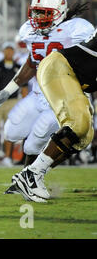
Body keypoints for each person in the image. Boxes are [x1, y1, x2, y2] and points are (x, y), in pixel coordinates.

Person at [0, 0, 94, 196]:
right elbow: (31, 61)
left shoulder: (76, 30)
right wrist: (7, 91)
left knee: (34, 141)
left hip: (63, 97)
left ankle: (29, 178)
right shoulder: (30, 31)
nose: (38, 18)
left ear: (59, 11)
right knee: (11, 131)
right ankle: (28, 178)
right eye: (36, 12)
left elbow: (88, 61)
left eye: (44, 12)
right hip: (37, 95)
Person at [11, 28, 97, 202]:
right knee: (77, 123)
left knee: (84, 135)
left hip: (68, 74)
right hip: (59, 67)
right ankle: (32, 175)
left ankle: (33, 174)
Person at [0, 42, 27, 166]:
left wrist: (23, 105)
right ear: (3, 52)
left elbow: (24, 87)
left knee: (9, 131)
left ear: (14, 52)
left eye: (11, 50)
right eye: (7, 50)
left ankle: (8, 157)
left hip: (13, 101)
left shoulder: (19, 67)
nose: (9, 52)